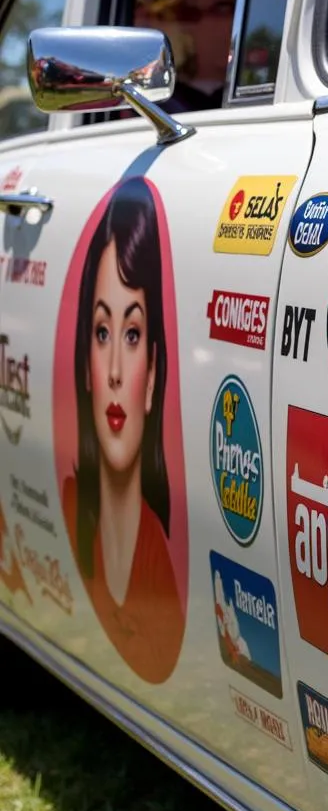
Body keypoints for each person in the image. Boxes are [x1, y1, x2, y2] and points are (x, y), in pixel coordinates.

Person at [62, 176, 184, 685]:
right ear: (85, 365)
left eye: (132, 335)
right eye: (102, 331)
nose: (114, 369)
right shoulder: (68, 508)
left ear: (153, 373)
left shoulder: (166, 589)